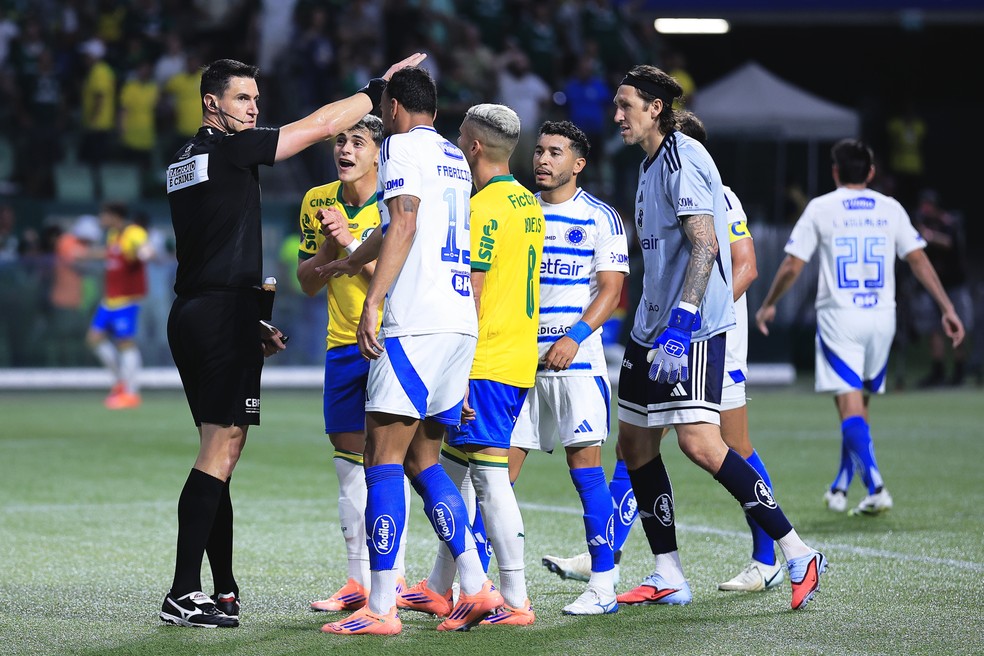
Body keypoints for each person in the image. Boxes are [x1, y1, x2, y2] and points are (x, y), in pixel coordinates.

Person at [160, 52, 425, 629]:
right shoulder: (229, 147)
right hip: (220, 312)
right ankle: (183, 591)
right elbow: (322, 126)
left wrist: (245, 316)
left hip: (199, 310)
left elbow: (212, 245)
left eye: (256, 99)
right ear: (212, 104)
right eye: (242, 99)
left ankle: (222, 586)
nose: (254, 109)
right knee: (219, 452)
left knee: (219, 453)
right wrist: (376, 86)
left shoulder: (184, 160)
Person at [541, 110, 786, 594]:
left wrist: (695, 316)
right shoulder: (652, 181)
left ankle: (770, 555)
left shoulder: (718, 195)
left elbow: (744, 266)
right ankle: (609, 553)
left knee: (725, 448)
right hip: (663, 334)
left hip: (706, 340)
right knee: (634, 446)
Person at [611, 64, 825, 611]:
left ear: (655, 107)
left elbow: (706, 246)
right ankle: (669, 574)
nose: (617, 116)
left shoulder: (684, 158)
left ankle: (796, 551)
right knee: (634, 446)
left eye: (626, 106)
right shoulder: (650, 162)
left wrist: (682, 323)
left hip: (692, 328)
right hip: (648, 328)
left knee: (702, 444)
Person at [317, 66, 502, 636]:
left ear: (393, 107)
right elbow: (409, 227)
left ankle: (380, 605)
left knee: (382, 459)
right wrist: (353, 255)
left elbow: (403, 222)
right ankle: (475, 587)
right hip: (457, 325)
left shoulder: (398, 147)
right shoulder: (451, 155)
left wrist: (372, 301)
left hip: (415, 323)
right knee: (425, 462)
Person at [755, 139, 965, 517]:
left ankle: (876, 485)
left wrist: (768, 304)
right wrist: (947, 307)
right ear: (870, 173)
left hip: (841, 317)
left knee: (849, 405)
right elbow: (918, 260)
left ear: (835, 172)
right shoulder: (891, 208)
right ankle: (839, 486)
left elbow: (791, 266)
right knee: (858, 408)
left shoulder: (821, 207)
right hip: (882, 317)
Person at [396, 103, 544, 627]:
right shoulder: (528, 203)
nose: (456, 143)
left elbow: (475, 290)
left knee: (487, 477)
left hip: (486, 359)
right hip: (517, 354)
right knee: (452, 468)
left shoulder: (482, 209)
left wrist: (457, 369)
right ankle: (439, 587)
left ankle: (515, 597)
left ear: (474, 146)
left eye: (460, 136)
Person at [509, 120, 628, 615]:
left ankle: (603, 586)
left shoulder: (601, 217)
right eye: (538, 151)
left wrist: (575, 337)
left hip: (577, 365)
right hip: (517, 364)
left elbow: (612, 289)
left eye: (555, 152)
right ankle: (486, 586)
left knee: (586, 472)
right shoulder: (517, 211)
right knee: (495, 474)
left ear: (578, 164)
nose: (542, 159)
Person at [294, 114, 410, 613]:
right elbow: (306, 281)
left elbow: (396, 283)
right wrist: (328, 242)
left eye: (357, 142)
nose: (344, 149)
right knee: (348, 470)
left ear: (377, 153)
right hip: (341, 347)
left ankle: (397, 580)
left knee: (390, 466)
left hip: (390, 345)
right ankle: (356, 581)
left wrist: (348, 241)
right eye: (339, 140)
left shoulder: (399, 202)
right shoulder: (317, 200)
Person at [84, 202, 153, 410]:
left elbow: (144, 249)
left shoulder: (134, 232)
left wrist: (145, 253)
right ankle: (120, 384)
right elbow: (110, 254)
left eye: (103, 215)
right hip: (110, 299)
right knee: (93, 339)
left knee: (125, 343)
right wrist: (86, 254)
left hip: (127, 299)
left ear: (114, 215)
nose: (101, 219)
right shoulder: (114, 234)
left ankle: (131, 392)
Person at [909, 190, 973, 387]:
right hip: (933, 286)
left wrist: (929, 236)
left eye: (929, 205)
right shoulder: (922, 222)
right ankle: (938, 371)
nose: (925, 209)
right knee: (933, 329)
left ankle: (959, 370)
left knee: (956, 326)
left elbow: (949, 243)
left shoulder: (949, 222)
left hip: (953, 285)